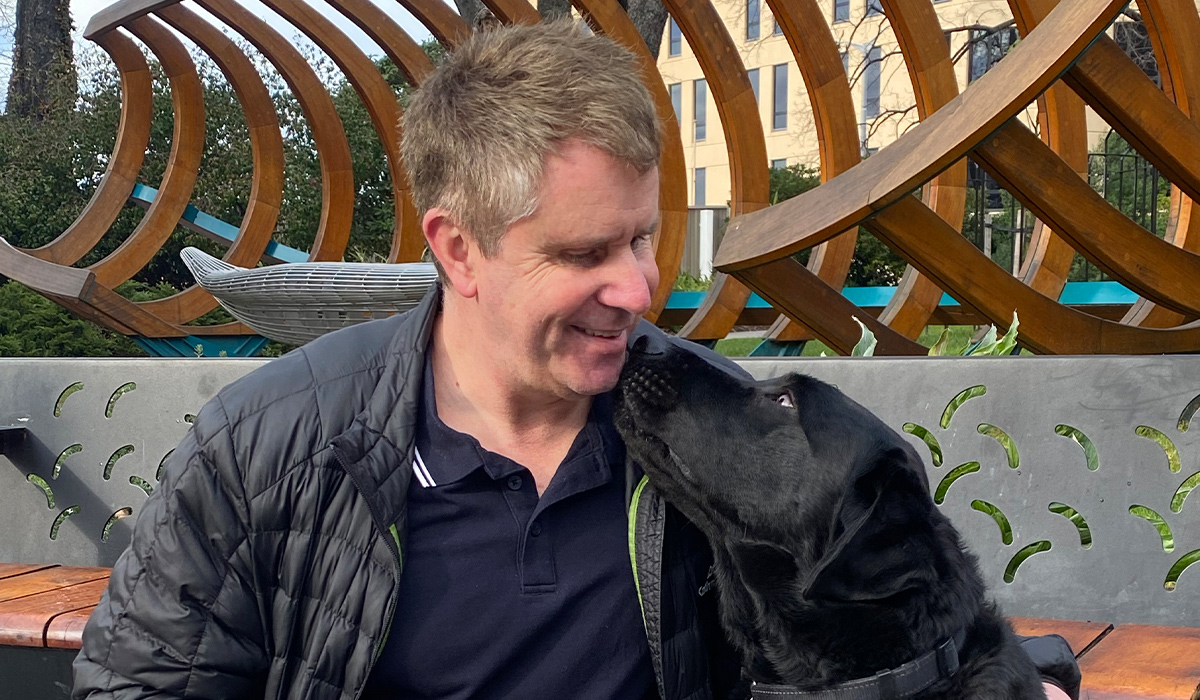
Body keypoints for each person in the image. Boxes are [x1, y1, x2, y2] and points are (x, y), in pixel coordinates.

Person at [72, 19, 1078, 700]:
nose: (640, 291)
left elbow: (897, 630)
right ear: (457, 247)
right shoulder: (267, 448)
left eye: (642, 238)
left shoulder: (706, 436)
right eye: (585, 252)